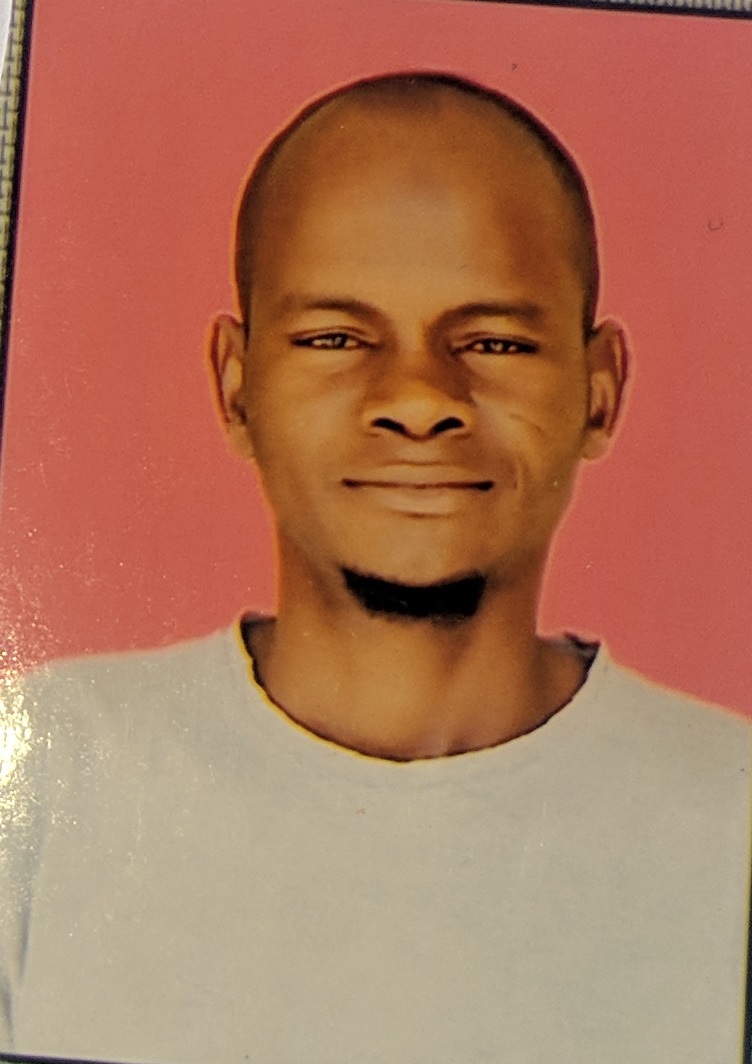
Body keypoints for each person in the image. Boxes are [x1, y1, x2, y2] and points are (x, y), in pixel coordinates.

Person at [1, 72, 749, 1064]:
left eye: (493, 340)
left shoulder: (733, 810)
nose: (417, 399)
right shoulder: (40, 776)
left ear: (599, 392)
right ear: (235, 385)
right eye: (335, 337)